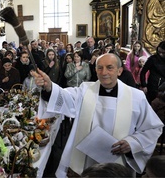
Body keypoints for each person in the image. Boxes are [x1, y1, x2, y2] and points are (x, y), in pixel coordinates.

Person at [34, 53, 164, 177]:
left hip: (117, 161)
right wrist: (49, 86)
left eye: (109, 68)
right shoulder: (85, 90)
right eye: (99, 68)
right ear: (95, 71)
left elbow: (153, 128)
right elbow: (65, 97)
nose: (104, 72)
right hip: (84, 160)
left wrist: (132, 143)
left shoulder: (136, 97)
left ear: (119, 71)